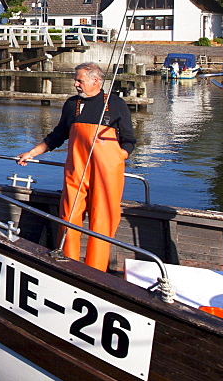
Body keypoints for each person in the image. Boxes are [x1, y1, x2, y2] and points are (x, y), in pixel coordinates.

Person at [15, 62, 136, 272]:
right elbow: (57, 136)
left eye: (79, 80)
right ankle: (67, 266)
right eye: (76, 80)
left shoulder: (116, 104)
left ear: (95, 81)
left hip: (107, 173)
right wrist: (32, 153)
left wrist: (118, 156)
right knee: (69, 215)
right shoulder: (72, 105)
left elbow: (129, 140)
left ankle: (96, 271)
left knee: (102, 219)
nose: (75, 84)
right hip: (76, 170)